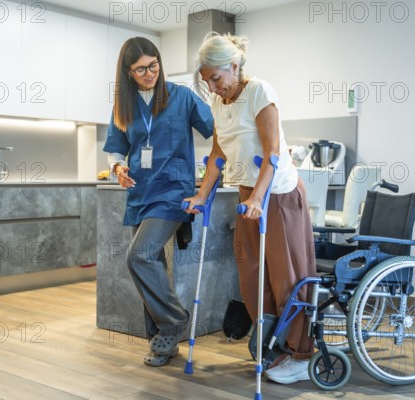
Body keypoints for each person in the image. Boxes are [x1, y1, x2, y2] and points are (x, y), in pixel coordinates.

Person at [183, 33, 317, 385]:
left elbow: (273, 153)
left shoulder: (260, 91)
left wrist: (259, 197)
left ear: (234, 65)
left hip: (279, 195)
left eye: (216, 78)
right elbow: (217, 154)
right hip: (249, 195)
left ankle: (301, 353)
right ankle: (272, 345)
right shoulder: (218, 104)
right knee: (253, 276)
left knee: (286, 277)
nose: (213, 87)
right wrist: (201, 195)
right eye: (207, 81)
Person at [103, 37, 213, 367]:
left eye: (154, 65)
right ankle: (163, 342)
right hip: (139, 192)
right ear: (128, 72)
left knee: (139, 256)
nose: (150, 73)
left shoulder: (182, 97)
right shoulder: (124, 104)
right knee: (154, 265)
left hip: (173, 192)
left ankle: (173, 319)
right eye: (141, 69)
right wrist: (118, 168)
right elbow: (115, 148)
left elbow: (217, 131)